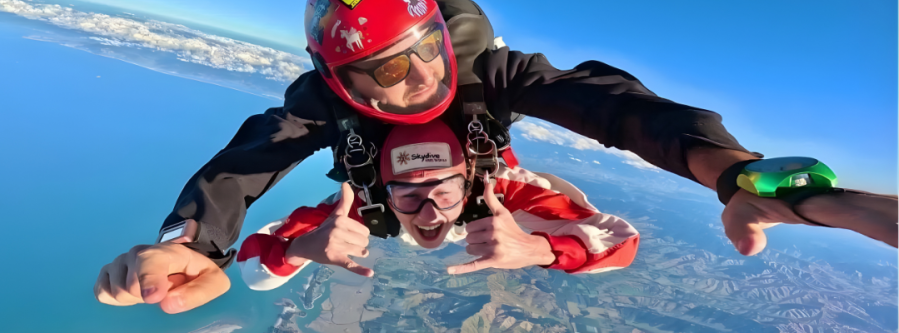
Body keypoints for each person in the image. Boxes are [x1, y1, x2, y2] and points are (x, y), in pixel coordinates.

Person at [94, 0, 898, 314]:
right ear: (347, 84)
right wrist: (193, 243)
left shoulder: (495, 120)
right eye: (384, 76)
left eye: (421, 60)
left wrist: (733, 170)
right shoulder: (349, 182)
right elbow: (253, 158)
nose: (413, 87)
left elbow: (612, 108)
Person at [236, 120, 639, 290]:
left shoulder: (501, 189)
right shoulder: (362, 202)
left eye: (443, 192)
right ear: (384, 190)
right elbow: (255, 270)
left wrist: (538, 248)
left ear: (468, 183)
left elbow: (622, 240)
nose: (429, 214)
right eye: (410, 194)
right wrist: (300, 248)